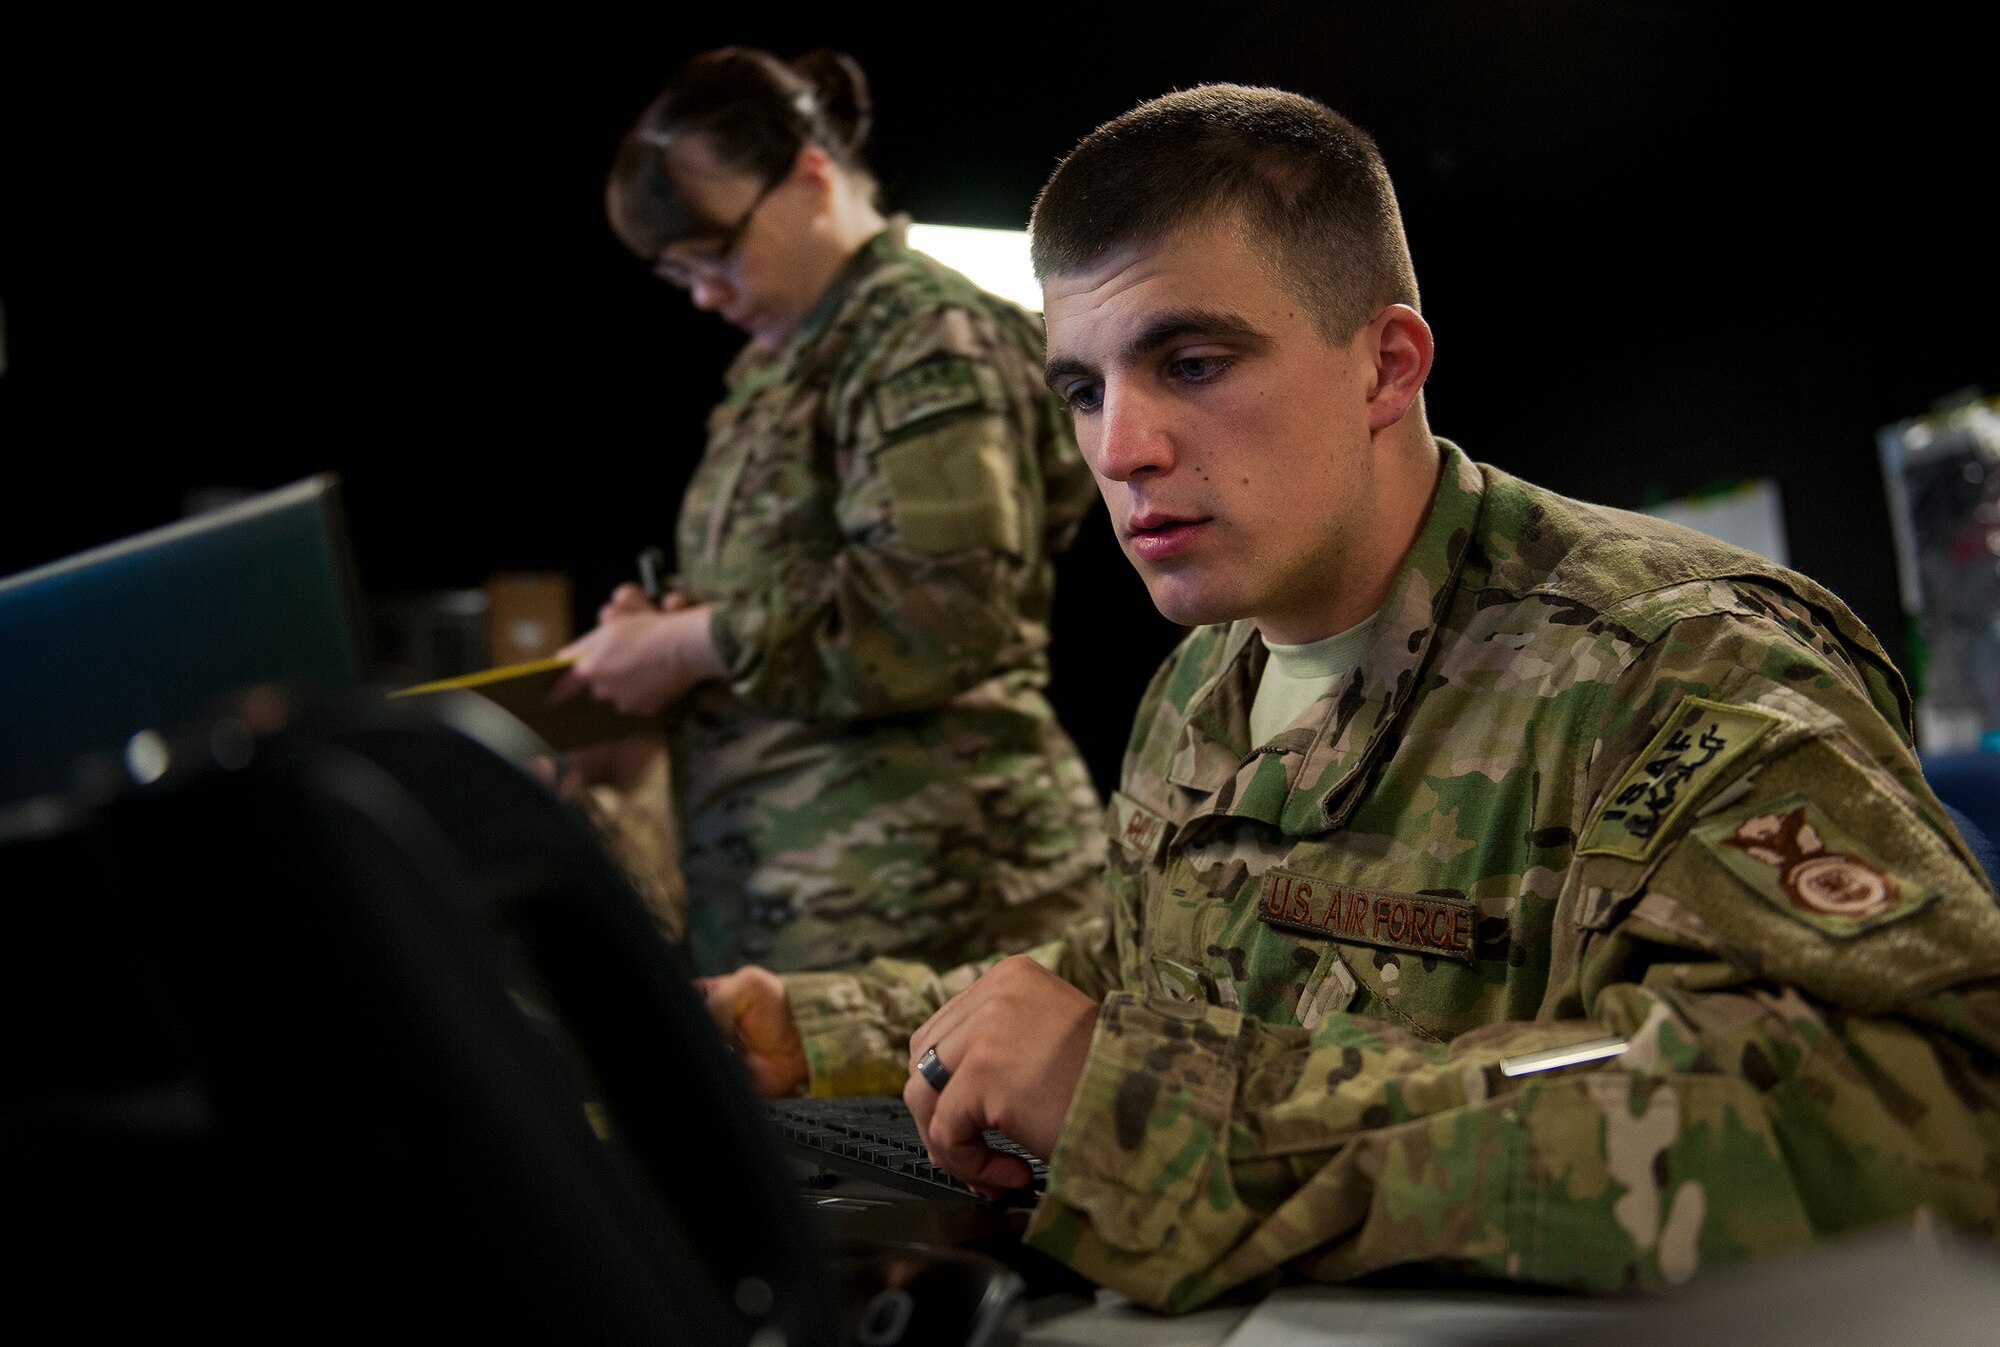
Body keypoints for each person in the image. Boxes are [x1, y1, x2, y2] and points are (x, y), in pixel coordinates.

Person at [702, 84, 2000, 1310]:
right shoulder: (1208, 679)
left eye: (1194, 362)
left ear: (1386, 366)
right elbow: (1139, 961)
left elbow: (1923, 1103)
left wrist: (1149, 1103)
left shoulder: (1670, 661)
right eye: (1084, 389)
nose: (1119, 447)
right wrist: (827, 1031)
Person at [561, 48, 1106, 975]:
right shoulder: (783, 365)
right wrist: (668, 634)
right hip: (812, 912)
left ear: (810, 179)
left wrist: (690, 644)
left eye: (718, 253)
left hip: (939, 911)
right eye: (677, 272)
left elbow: (942, 612)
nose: (704, 293)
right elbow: (796, 588)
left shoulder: (924, 336)